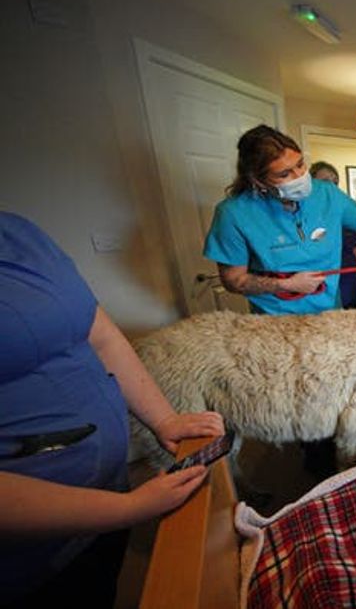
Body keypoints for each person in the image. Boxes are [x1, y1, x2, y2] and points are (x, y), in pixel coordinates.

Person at [0, 212, 225, 606]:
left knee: (100, 584)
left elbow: (101, 335)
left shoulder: (19, 234)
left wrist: (164, 418)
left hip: (104, 495)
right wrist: (130, 508)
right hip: (28, 547)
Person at [203, 125, 356, 315]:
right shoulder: (233, 214)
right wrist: (285, 285)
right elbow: (234, 280)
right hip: (275, 323)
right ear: (257, 180)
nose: (299, 176)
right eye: (285, 174)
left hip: (330, 312)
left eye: (300, 165)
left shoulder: (329, 195)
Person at [309, 161, 356, 309]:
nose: (331, 187)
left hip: (349, 274)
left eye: (335, 182)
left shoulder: (344, 209)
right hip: (322, 278)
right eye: (325, 182)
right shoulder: (305, 214)